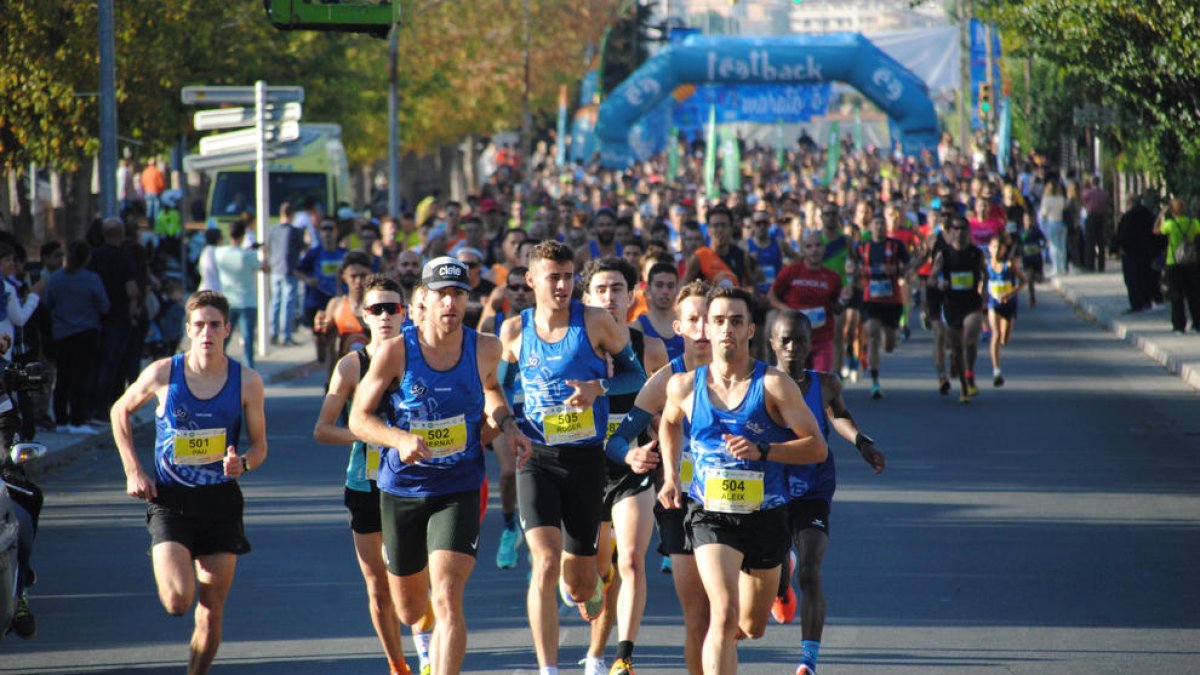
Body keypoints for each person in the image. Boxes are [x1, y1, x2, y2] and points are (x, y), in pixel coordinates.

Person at [349, 257, 531, 675]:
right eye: (442, 294)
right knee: (411, 610)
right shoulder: (397, 352)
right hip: (403, 489)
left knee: (448, 595)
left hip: (459, 485)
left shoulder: (485, 347)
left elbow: (491, 389)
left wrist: (505, 423)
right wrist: (399, 439)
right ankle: (418, 621)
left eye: (459, 293)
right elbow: (360, 417)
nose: (451, 302)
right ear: (424, 301)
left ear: (468, 300)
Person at [657, 286, 827, 675]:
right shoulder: (684, 386)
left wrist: (764, 450)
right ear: (708, 329)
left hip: (766, 514)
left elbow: (816, 448)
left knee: (751, 625)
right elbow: (668, 424)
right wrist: (669, 477)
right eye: (718, 321)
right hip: (709, 513)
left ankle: (782, 566)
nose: (726, 329)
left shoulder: (773, 385)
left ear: (751, 329)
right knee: (723, 612)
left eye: (736, 321)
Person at [497, 241, 647, 674]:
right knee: (543, 560)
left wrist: (597, 388)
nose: (563, 286)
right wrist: (509, 424)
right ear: (531, 280)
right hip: (536, 456)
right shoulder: (514, 331)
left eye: (568, 276)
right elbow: (498, 385)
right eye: (553, 277)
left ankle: (586, 586)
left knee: (580, 586)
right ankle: (548, 668)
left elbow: (635, 375)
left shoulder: (596, 322)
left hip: (585, 460)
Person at [111, 290, 268, 675]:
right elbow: (120, 410)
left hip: (221, 502)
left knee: (211, 612)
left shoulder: (247, 381)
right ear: (188, 330)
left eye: (215, 325)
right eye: (199, 325)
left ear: (227, 329)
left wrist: (243, 463)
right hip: (171, 500)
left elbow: (261, 444)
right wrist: (133, 468)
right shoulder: (164, 373)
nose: (207, 333)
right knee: (178, 600)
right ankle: (171, 554)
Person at [314, 275, 432, 675]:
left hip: (418, 480)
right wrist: (373, 435)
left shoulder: (422, 355)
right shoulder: (352, 365)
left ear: (406, 313)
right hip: (365, 483)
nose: (384, 316)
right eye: (375, 309)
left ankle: (427, 646)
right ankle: (398, 664)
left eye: (392, 308)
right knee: (378, 585)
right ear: (364, 316)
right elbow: (322, 428)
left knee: (419, 572)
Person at [767, 311, 886, 675]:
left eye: (800, 340)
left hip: (814, 486)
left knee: (811, 571)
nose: (792, 347)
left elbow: (839, 415)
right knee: (775, 572)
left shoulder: (827, 383)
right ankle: (779, 583)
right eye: (784, 340)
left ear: (811, 343)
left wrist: (862, 443)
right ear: (772, 343)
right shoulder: (758, 383)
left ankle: (808, 660)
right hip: (770, 486)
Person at [606, 279, 712, 675]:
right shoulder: (665, 380)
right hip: (679, 501)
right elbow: (616, 439)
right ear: (678, 327)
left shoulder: (745, 376)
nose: (702, 330)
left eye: (710, 320)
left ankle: (776, 573)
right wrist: (630, 454)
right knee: (699, 619)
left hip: (740, 501)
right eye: (693, 320)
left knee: (739, 620)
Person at [579, 257, 667, 675]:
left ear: (632, 297)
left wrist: (655, 426)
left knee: (630, 560)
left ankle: (622, 656)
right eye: (600, 290)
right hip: (581, 466)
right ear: (586, 297)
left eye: (617, 289)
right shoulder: (573, 343)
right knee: (595, 572)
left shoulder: (649, 346)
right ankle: (589, 586)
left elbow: (663, 405)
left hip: (631, 465)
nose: (609, 298)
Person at [476, 265, 534, 570]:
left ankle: (538, 552)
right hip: (507, 409)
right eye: (514, 288)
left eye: (526, 288)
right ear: (507, 292)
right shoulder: (499, 324)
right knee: (510, 471)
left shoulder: (550, 325)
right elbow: (494, 381)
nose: (521, 293)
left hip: (541, 415)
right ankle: (511, 526)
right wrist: (505, 417)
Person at [43, 241, 110, 434]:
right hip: (86, 332)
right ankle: (77, 419)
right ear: (86, 258)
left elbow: (48, 303)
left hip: (62, 333)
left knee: (63, 376)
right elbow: (104, 305)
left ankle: (61, 418)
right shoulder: (92, 279)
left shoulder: (56, 278)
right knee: (81, 377)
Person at [851, 215, 911, 399]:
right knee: (873, 333)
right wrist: (855, 274)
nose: (879, 226)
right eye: (876, 223)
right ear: (870, 227)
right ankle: (875, 383)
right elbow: (853, 266)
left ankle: (884, 342)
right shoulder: (862, 247)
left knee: (889, 344)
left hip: (892, 300)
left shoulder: (895, 245)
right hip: (871, 299)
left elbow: (908, 265)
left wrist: (898, 271)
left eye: (882, 223)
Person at [769, 232, 844, 374]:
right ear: (802, 250)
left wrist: (843, 300)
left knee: (820, 381)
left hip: (821, 338)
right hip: (795, 340)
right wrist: (787, 311)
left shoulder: (833, 277)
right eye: (809, 246)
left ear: (824, 249)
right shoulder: (791, 271)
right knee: (793, 383)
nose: (814, 250)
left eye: (818, 245)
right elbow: (772, 296)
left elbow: (837, 307)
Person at [932, 215, 987, 403]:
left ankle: (970, 373)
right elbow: (932, 278)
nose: (960, 232)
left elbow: (985, 275)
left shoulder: (976, 253)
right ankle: (964, 388)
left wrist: (985, 292)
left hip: (972, 303)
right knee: (956, 350)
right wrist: (940, 283)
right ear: (951, 231)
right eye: (955, 228)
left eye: (963, 228)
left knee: (970, 339)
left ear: (968, 231)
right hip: (951, 305)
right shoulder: (944, 255)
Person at [315, 252, 373, 380]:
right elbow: (322, 353)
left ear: (370, 275)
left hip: (370, 380)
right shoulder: (336, 305)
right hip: (340, 381)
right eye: (353, 276)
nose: (358, 281)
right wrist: (319, 331)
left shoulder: (378, 306)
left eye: (363, 275)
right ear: (344, 277)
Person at [214, 221, 263, 368]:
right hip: (247, 302)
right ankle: (249, 373)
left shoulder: (219, 253)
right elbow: (264, 267)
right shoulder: (248, 255)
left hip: (227, 302)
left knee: (223, 340)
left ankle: (217, 367)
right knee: (248, 342)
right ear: (243, 235)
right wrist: (263, 252)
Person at [1154, 198, 1200, 334]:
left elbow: (1156, 230)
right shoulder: (1193, 223)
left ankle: (1179, 325)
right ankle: (1197, 322)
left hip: (1173, 262)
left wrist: (1161, 214)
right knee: (1193, 294)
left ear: (1172, 211)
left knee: (1176, 295)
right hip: (1190, 262)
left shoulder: (1171, 224)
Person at [1112, 193, 1161, 314]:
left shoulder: (1128, 217)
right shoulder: (1149, 215)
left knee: (1132, 280)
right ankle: (1146, 301)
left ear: (1130, 203)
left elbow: (1123, 235)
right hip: (1146, 253)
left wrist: (1117, 247)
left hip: (1131, 253)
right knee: (1146, 277)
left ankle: (1137, 304)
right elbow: (1156, 235)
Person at [985, 236, 1025, 387]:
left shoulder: (1009, 265)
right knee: (994, 334)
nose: (996, 250)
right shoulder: (987, 265)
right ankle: (996, 371)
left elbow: (1023, 281)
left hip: (1009, 305)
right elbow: (982, 281)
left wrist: (1010, 294)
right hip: (993, 303)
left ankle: (997, 365)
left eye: (998, 247)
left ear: (1003, 250)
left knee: (1004, 339)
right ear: (989, 248)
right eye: (993, 247)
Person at [267, 202, 306, 346]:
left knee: (275, 302)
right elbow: (302, 247)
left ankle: (273, 332)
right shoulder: (294, 231)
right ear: (292, 214)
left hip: (275, 269)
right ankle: (285, 335)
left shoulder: (273, 229)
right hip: (289, 270)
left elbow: (269, 247)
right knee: (287, 303)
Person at [634, 262, 685, 361]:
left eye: (670, 286)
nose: (665, 291)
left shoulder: (686, 323)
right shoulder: (638, 326)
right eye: (659, 285)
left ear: (677, 290)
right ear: (648, 289)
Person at [1038, 181, 1067, 277]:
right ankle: (1062, 266)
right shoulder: (1061, 198)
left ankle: (1055, 267)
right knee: (1062, 246)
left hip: (1052, 222)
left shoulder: (1047, 200)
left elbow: (1043, 213)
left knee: (1053, 246)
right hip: (1062, 222)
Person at [1082, 176, 1110, 271]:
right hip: (1101, 217)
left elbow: (1084, 201)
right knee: (1100, 241)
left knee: (1090, 241)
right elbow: (1106, 203)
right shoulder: (1103, 194)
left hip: (1091, 216)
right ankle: (1101, 265)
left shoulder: (1088, 193)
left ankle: (1090, 264)